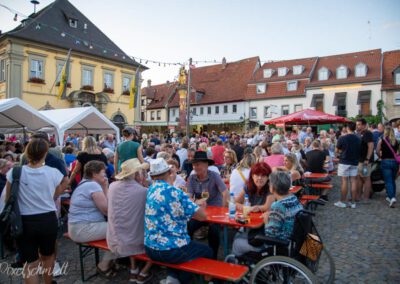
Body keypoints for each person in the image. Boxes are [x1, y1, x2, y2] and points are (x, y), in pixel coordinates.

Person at [4, 138, 65, 284]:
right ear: (45, 153)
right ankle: (48, 282)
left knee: (30, 262)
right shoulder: (53, 173)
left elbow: (8, 200)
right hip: (47, 219)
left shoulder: (15, 172)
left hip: (24, 221)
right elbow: (55, 194)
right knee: (48, 256)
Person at [144, 158, 212, 284]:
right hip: (170, 250)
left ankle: (172, 278)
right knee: (207, 251)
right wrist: (201, 206)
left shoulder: (151, 189)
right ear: (169, 172)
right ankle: (190, 280)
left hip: (150, 248)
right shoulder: (175, 192)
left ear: (153, 176)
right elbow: (202, 217)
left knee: (179, 247)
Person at [232, 170, 302, 257]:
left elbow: (270, 234)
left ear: (272, 188)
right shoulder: (293, 198)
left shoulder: (278, 206)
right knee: (243, 235)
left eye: (270, 183)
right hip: (292, 242)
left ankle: (238, 266)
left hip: (278, 246)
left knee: (237, 242)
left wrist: (266, 220)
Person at [107, 159, 153, 283]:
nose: (144, 174)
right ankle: (145, 271)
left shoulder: (112, 186)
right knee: (155, 231)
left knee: (131, 225)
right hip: (135, 241)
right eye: (142, 171)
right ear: (137, 174)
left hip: (114, 239)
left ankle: (133, 269)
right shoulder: (144, 192)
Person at [68, 160, 115, 276]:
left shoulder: (84, 184)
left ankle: (113, 261)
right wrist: (105, 187)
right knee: (122, 230)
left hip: (77, 227)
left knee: (119, 228)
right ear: (94, 174)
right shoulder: (92, 185)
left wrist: (104, 186)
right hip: (83, 229)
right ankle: (104, 265)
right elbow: (106, 210)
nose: (105, 176)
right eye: (103, 174)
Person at [187, 151, 228, 259]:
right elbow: (189, 198)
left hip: (215, 210)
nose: (195, 167)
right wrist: (196, 202)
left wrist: (223, 210)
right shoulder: (191, 178)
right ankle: (189, 252)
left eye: (198, 164)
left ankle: (213, 257)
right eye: (194, 164)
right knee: (188, 226)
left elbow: (225, 193)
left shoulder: (214, 176)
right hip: (201, 210)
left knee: (214, 231)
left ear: (206, 164)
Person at [334, 122, 361, 208]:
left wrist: (341, 152)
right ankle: (353, 202)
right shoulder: (358, 138)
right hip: (354, 161)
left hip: (344, 161)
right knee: (353, 181)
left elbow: (336, 151)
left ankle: (342, 201)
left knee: (344, 181)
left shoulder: (342, 138)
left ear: (347, 128)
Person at [376, 126, 399, 208]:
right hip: (395, 162)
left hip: (385, 161)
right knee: (392, 180)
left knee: (388, 180)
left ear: (385, 132)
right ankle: (392, 196)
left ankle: (391, 197)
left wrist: (380, 156)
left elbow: (377, 150)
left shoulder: (382, 140)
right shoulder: (396, 141)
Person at [356, 118, 374, 202]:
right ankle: (358, 196)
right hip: (360, 160)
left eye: (359, 124)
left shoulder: (368, 133)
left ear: (363, 125)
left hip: (365, 160)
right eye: (357, 124)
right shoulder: (360, 133)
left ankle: (366, 198)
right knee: (359, 178)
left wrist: (367, 158)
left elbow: (371, 146)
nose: (357, 126)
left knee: (366, 178)